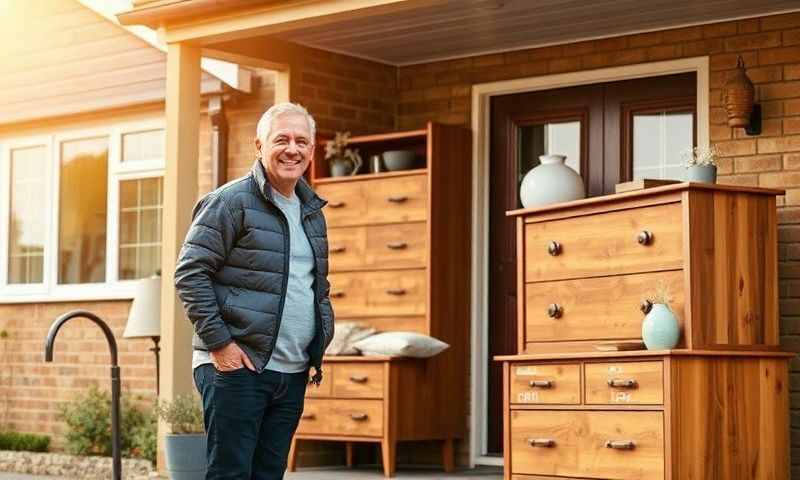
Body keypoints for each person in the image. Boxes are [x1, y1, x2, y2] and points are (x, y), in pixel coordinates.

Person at [174, 102, 334, 479]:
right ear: (259, 146)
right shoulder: (231, 201)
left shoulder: (312, 212)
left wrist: (317, 346)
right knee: (231, 474)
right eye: (281, 139)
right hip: (238, 368)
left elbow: (314, 285)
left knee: (269, 474)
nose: (292, 149)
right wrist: (220, 345)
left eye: (301, 141)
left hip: (291, 371)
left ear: (312, 150)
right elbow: (190, 273)